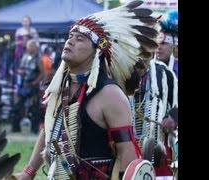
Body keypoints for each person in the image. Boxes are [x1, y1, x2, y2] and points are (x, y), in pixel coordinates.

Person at [16, 1, 160, 179]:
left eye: (80, 39)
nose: (70, 41)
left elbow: (127, 153)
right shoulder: (62, 87)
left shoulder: (110, 94)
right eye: (70, 36)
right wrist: (28, 172)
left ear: (96, 51)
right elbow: (49, 128)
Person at [128, 10, 178, 176]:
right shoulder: (126, 72)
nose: (159, 48)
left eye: (164, 43)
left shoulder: (168, 75)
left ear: (174, 45)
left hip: (162, 144)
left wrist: (174, 117)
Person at [156, 10, 178, 77]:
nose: (158, 47)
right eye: (158, 42)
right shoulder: (147, 68)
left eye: (164, 43)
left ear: (175, 47)